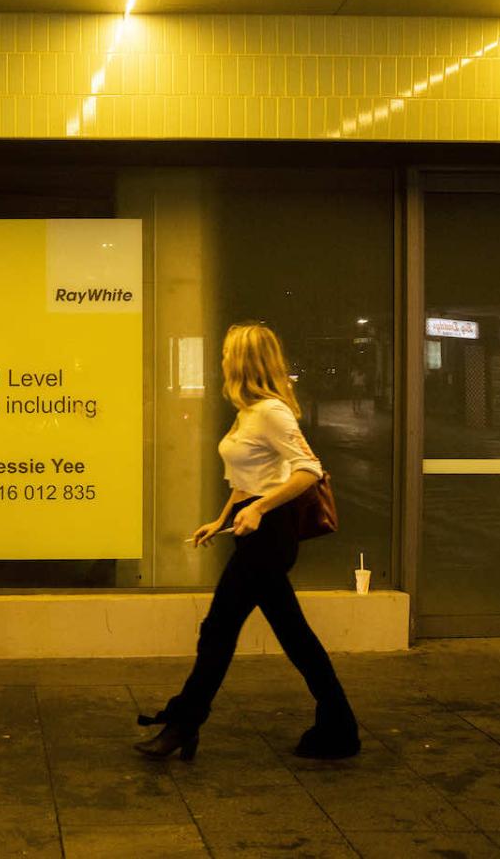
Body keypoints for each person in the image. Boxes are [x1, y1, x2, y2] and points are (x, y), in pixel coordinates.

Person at [136, 323, 360, 762]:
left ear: (243, 361)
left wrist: (259, 509)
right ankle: (339, 725)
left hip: (269, 536)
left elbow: (308, 470)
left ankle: (185, 722)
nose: (221, 361)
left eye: (226, 354)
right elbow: (248, 480)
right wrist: (220, 518)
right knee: (292, 635)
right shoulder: (249, 411)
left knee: (218, 630)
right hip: (253, 533)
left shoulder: (273, 412)